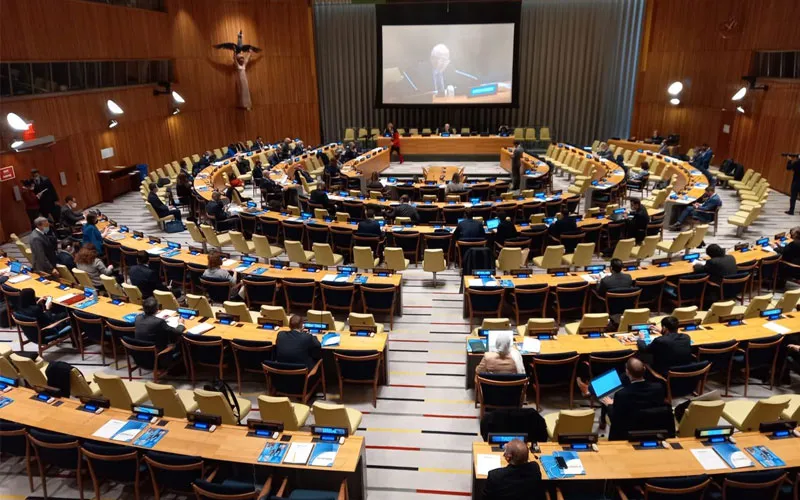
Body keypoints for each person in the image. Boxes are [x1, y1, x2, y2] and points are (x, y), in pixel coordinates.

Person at [602, 358, 667, 441]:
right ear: (644, 369)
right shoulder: (659, 388)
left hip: (627, 432)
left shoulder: (621, 394)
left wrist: (610, 405)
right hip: (652, 428)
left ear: (627, 372)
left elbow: (616, 419)